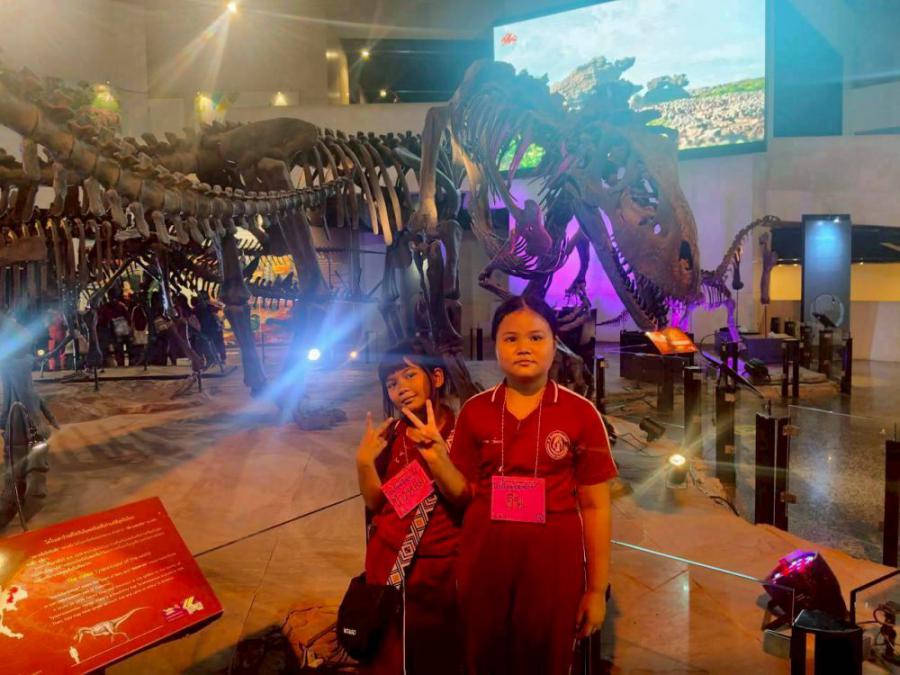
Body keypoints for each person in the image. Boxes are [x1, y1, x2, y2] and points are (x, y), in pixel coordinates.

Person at [404, 294, 618, 675]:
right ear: (496, 346)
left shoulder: (581, 414)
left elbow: (595, 506)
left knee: (546, 661)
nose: (523, 347)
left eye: (536, 337)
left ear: (555, 343)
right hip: (484, 565)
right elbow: (462, 494)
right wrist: (437, 459)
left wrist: (596, 589)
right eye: (510, 338)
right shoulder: (476, 411)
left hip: (553, 570)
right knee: (483, 658)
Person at [355, 338, 463, 675]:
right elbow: (376, 503)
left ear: (437, 377)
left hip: (438, 573)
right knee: (390, 656)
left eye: (410, 375)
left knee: (436, 655)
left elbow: (464, 498)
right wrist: (364, 463)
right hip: (388, 565)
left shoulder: (462, 433)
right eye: (391, 383)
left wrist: (439, 459)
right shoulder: (392, 436)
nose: (400, 387)